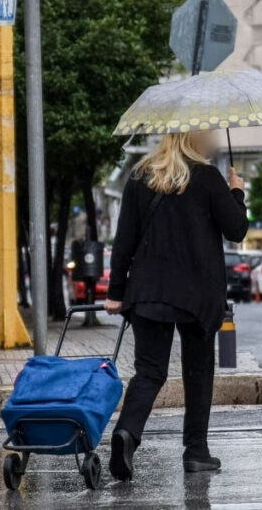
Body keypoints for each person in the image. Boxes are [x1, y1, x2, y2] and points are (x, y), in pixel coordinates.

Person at [104, 131, 248, 480]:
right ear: (198, 140)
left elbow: (124, 239)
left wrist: (115, 292)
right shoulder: (208, 177)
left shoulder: (140, 176)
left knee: (149, 372)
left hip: (148, 291)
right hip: (197, 295)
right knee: (198, 373)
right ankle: (196, 452)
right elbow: (237, 230)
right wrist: (237, 192)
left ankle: (127, 433)